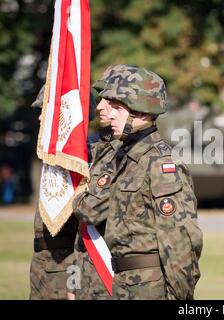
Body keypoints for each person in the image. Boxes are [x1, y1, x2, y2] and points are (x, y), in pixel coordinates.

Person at [73, 64, 203, 300]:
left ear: (141, 111)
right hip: (119, 283)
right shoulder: (120, 156)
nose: (105, 111)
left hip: (146, 289)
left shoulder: (160, 164)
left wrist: (181, 298)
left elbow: (180, 241)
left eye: (116, 106)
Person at [72, 76, 121, 300]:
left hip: (110, 274)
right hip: (84, 272)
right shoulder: (95, 149)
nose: (99, 106)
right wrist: (73, 282)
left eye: (108, 100)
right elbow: (79, 236)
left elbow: (89, 211)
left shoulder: (121, 154)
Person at [29, 85, 78, 300]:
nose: (40, 118)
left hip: (65, 268)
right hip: (45, 263)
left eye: (46, 112)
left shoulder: (79, 161)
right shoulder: (53, 157)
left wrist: (75, 281)